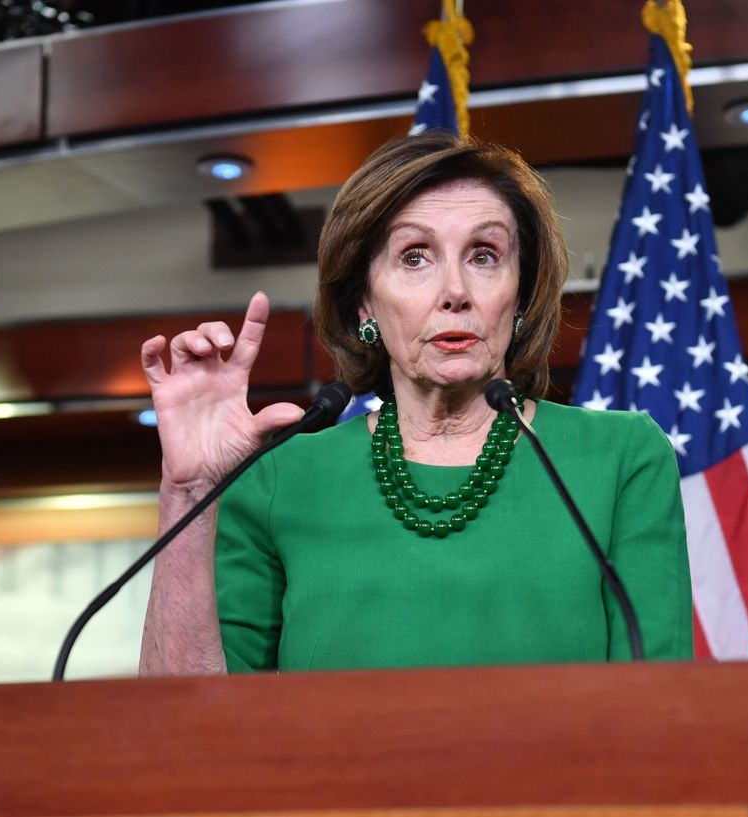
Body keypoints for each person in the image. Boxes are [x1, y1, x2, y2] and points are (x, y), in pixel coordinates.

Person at [139, 131, 692, 675]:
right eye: (414, 257)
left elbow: (661, 710)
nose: (455, 290)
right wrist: (188, 491)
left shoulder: (621, 457)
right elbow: (188, 728)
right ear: (363, 303)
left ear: (521, 293)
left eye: (483, 255)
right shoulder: (273, 479)